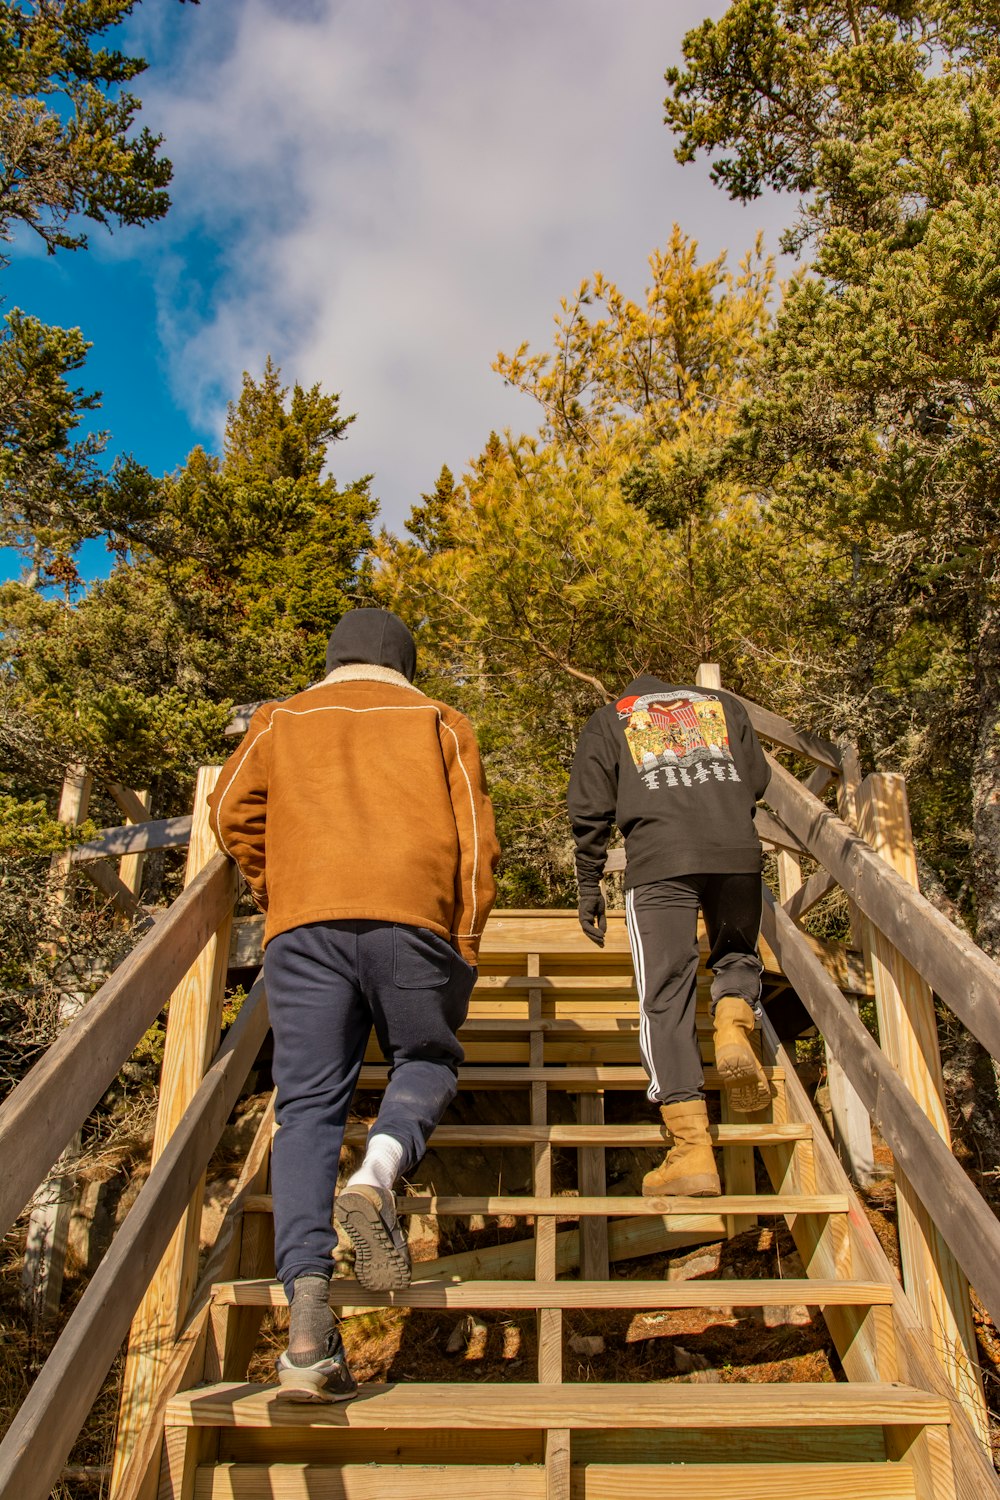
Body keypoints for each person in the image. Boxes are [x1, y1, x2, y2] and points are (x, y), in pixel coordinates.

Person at [209, 608, 500, 1402]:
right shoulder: (440, 719)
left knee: (307, 1106)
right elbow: (477, 844)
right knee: (427, 1058)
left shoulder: (282, 719)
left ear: (333, 661)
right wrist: (464, 941)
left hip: (306, 932)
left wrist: (282, 887)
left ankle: (307, 1334)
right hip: (413, 921)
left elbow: (231, 811)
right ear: (405, 664)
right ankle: (378, 1173)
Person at [567, 674, 771, 1198]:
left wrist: (590, 885)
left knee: (665, 996)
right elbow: (757, 778)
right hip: (737, 855)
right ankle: (731, 1019)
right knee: (737, 952)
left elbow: (590, 808)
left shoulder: (610, 718)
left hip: (660, 863)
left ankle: (691, 1150)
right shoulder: (723, 705)